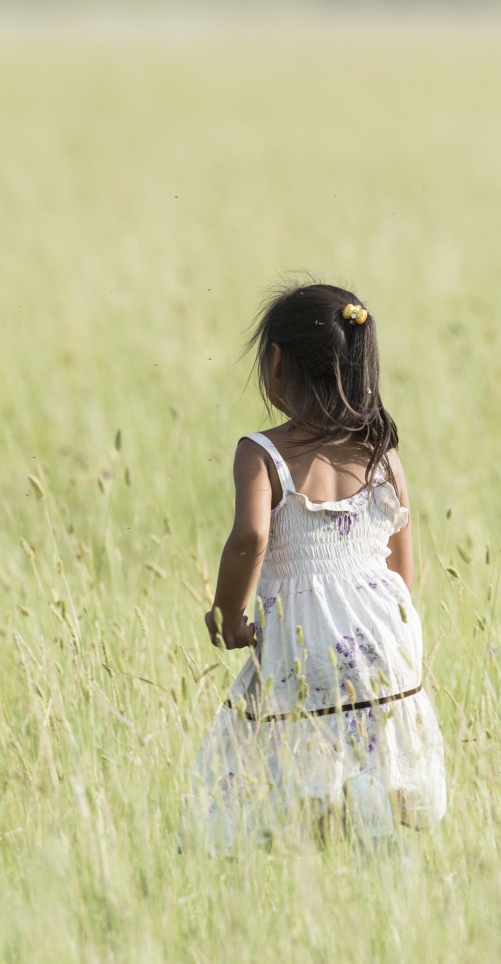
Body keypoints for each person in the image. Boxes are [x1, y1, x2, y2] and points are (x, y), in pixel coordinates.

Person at [192, 283, 445, 851]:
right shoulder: (383, 453)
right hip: (384, 636)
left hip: (306, 637)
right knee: (368, 764)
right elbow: (404, 574)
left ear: (276, 361)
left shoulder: (261, 451)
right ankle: (379, 853)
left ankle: (318, 869)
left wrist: (230, 614)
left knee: (298, 767)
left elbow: (253, 534)